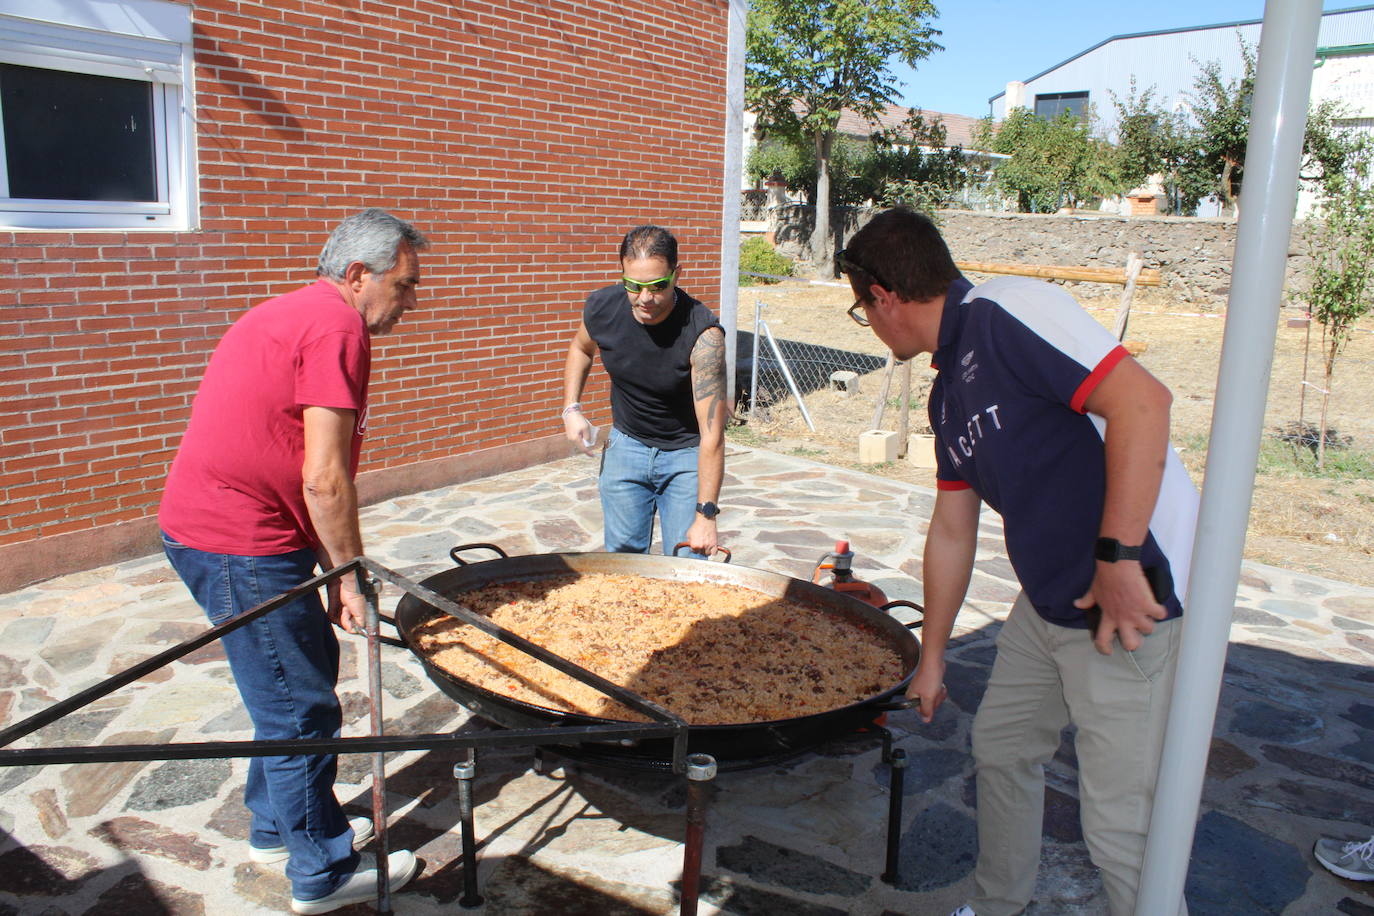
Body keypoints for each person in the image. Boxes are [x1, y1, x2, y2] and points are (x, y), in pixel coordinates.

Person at [837, 207, 1199, 916]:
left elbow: (1145, 403)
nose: (870, 325)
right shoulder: (947, 395)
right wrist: (933, 655)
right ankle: (998, 904)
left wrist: (1120, 560)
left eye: (862, 310)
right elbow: (951, 527)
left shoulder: (1009, 310)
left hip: (1132, 594)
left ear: (883, 296)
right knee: (1002, 747)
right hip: (1047, 600)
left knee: (1122, 828)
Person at [159, 209, 427, 914]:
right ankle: (322, 871)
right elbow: (324, 478)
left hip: (220, 529)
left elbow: (287, 460)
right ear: (358, 275)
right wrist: (350, 576)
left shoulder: (294, 312)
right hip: (236, 539)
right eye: (403, 286)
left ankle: (278, 828)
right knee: (302, 708)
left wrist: (325, 566)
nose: (409, 301)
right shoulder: (336, 327)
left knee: (279, 693)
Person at [561, 225, 727, 557]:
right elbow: (580, 348)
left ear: (677, 274)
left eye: (657, 286)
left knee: (687, 562)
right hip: (626, 446)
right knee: (624, 561)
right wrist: (571, 408)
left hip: (684, 454)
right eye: (633, 286)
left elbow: (713, 435)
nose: (645, 298)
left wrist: (706, 514)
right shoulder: (602, 307)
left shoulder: (703, 334)